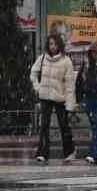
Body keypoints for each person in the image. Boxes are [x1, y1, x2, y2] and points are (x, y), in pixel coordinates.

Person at [29, 32, 77, 163]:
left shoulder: (66, 61)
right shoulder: (43, 58)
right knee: (44, 125)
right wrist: (38, 88)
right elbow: (33, 73)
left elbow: (69, 85)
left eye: (55, 44)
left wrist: (70, 104)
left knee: (64, 125)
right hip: (45, 97)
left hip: (59, 98)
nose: (53, 47)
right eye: (50, 44)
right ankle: (43, 153)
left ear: (59, 45)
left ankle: (70, 151)